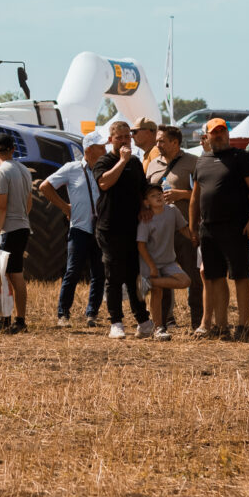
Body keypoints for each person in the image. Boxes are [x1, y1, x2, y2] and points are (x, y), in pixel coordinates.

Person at [190, 118, 249, 341]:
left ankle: (244, 327)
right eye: (215, 132)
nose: (219, 135)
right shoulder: (202, 161)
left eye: (222, 131)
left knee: (240, 275)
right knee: (215, 277)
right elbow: (195, 197)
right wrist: (192, 226)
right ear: (207, 136)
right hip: (208, 228)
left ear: (228, 134)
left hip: (235, 227)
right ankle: (221, 327)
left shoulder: (242, 158)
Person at [94, 121, 150, 340]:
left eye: (128, 136)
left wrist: (144, 206)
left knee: (134, 275)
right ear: (111, 140)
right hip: (110, 228)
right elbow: (104, 184)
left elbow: (142, 189)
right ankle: (116, 322)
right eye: (120, 137)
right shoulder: (104, 161)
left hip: (133, 228)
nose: (125, 140)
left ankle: (143, 321)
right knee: (114, 276)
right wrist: (122, 161)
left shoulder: (135, 162)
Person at [41, 142, 104, 327]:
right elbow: (45, 186)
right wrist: (64, 207)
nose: (105, 150)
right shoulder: (71, 168)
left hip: (100, 228)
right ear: (89, 149)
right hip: (79, 228)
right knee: (73, 272)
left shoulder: (104, 169)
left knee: (99, 274)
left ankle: (92, 314)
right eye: (101, 147)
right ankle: (63, 314)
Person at [147, 126, 201, 328]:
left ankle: (198, 322)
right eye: (157, 140)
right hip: (159, 234)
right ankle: (162, 323)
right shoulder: (153, 164)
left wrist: (182, 194)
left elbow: (203, 193)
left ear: (175, 143)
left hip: (185, 231)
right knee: (162, 277)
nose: (157, 144)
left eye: (161, 141)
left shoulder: (193, 162)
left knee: (193, 277)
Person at [0, 132, 33, 334]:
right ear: (14, 149)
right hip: (23, 225)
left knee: (8, 275)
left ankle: (10, 319)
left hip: (10, 228)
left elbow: (0, 207)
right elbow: (29, 202)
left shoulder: (1, 172)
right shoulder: (24, 170)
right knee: (15, 274)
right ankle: (17, 319)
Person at [135, 186, 190, 341]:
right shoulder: (146, 219)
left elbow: (183, 228)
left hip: (168, 261)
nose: (158, 197)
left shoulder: (172, 210)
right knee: (157, 292)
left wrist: (194, 238)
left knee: (185, 281)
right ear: (146, 202)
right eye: (153, 196)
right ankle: (159, 328)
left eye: (159, 194)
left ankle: (146, 283)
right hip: (149, 262)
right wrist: (152, 267)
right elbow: (141, 246)